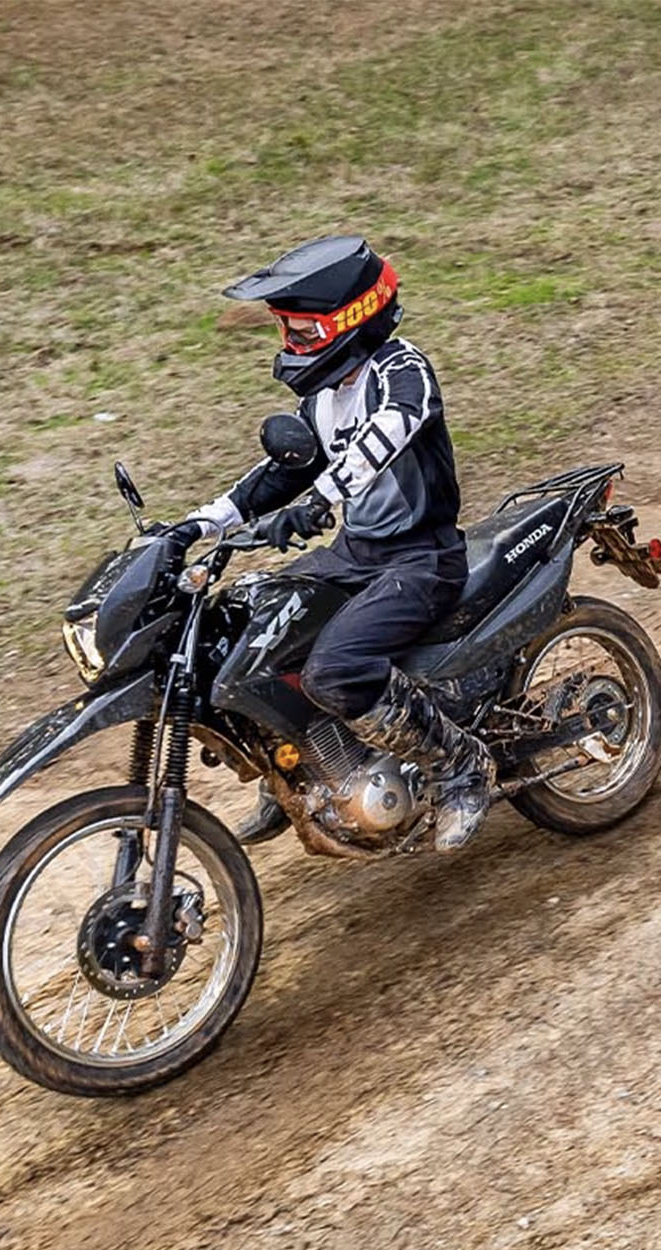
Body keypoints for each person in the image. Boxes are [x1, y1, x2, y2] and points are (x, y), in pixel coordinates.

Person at [167, 235, 495, 852]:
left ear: (351, 319)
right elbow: (277, 476)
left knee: (338, 669)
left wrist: (322, 500)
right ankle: (295, 767)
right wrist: (195, 525)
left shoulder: (404, 372)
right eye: (288, 332)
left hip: (422, 559)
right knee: (249, 629)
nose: (293, 346)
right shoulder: (323, 396)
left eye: (302, 332)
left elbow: (381, 441)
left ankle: (461, 764)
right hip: (357, 556)